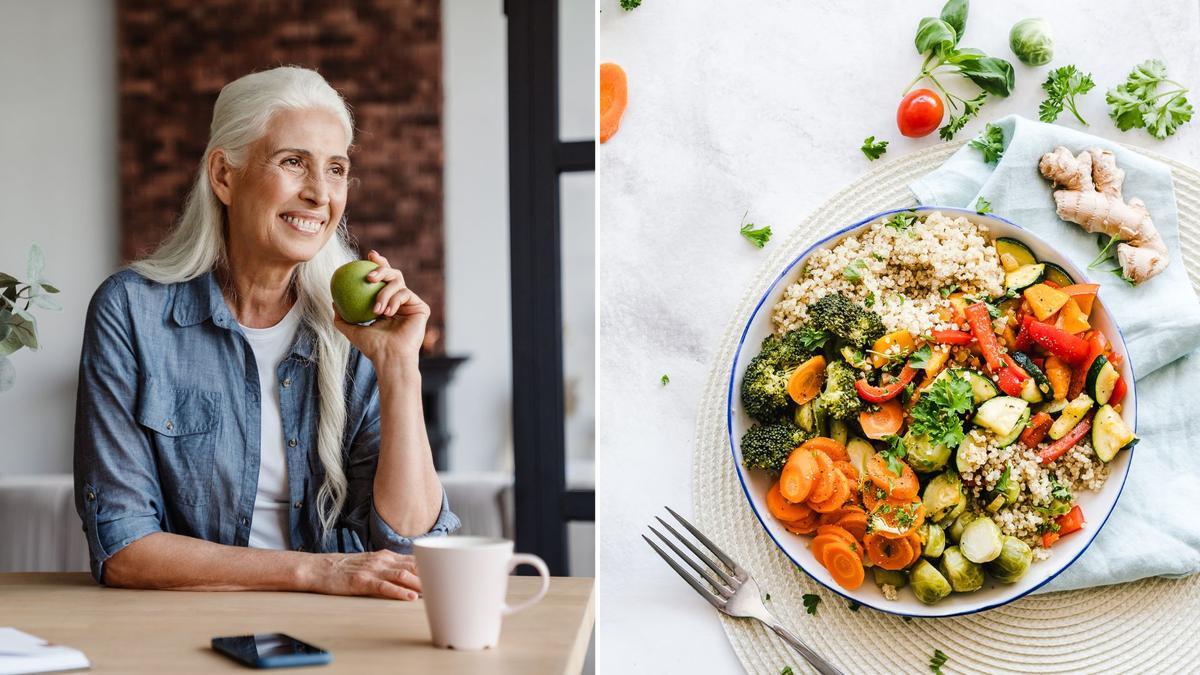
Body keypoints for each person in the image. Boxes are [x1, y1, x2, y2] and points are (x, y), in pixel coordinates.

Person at [73, 66, 458, 601]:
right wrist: (316, 572)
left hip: (345, 626)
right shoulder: (132, 312)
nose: (319, 193)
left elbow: (414, 547)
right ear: (224, 176)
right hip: (186, 625)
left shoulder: (359, 327)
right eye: (293, 162)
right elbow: (122, 547)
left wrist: (398, 367)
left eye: (337, 168)